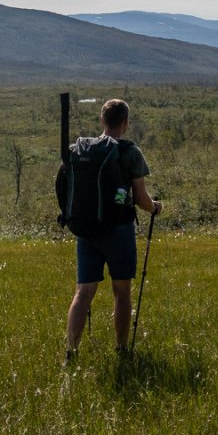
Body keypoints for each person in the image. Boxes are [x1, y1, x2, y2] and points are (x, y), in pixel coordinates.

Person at [65, 98, 161, 360]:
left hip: (86, 230)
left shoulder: (80, 150)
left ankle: (71, 352)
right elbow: (140, 198)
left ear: (102, 120)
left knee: (83, 293)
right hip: (118, 230)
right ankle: (121, 349)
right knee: (121, 292)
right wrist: (154, 208)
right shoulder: (130, 152)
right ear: (126, 123)